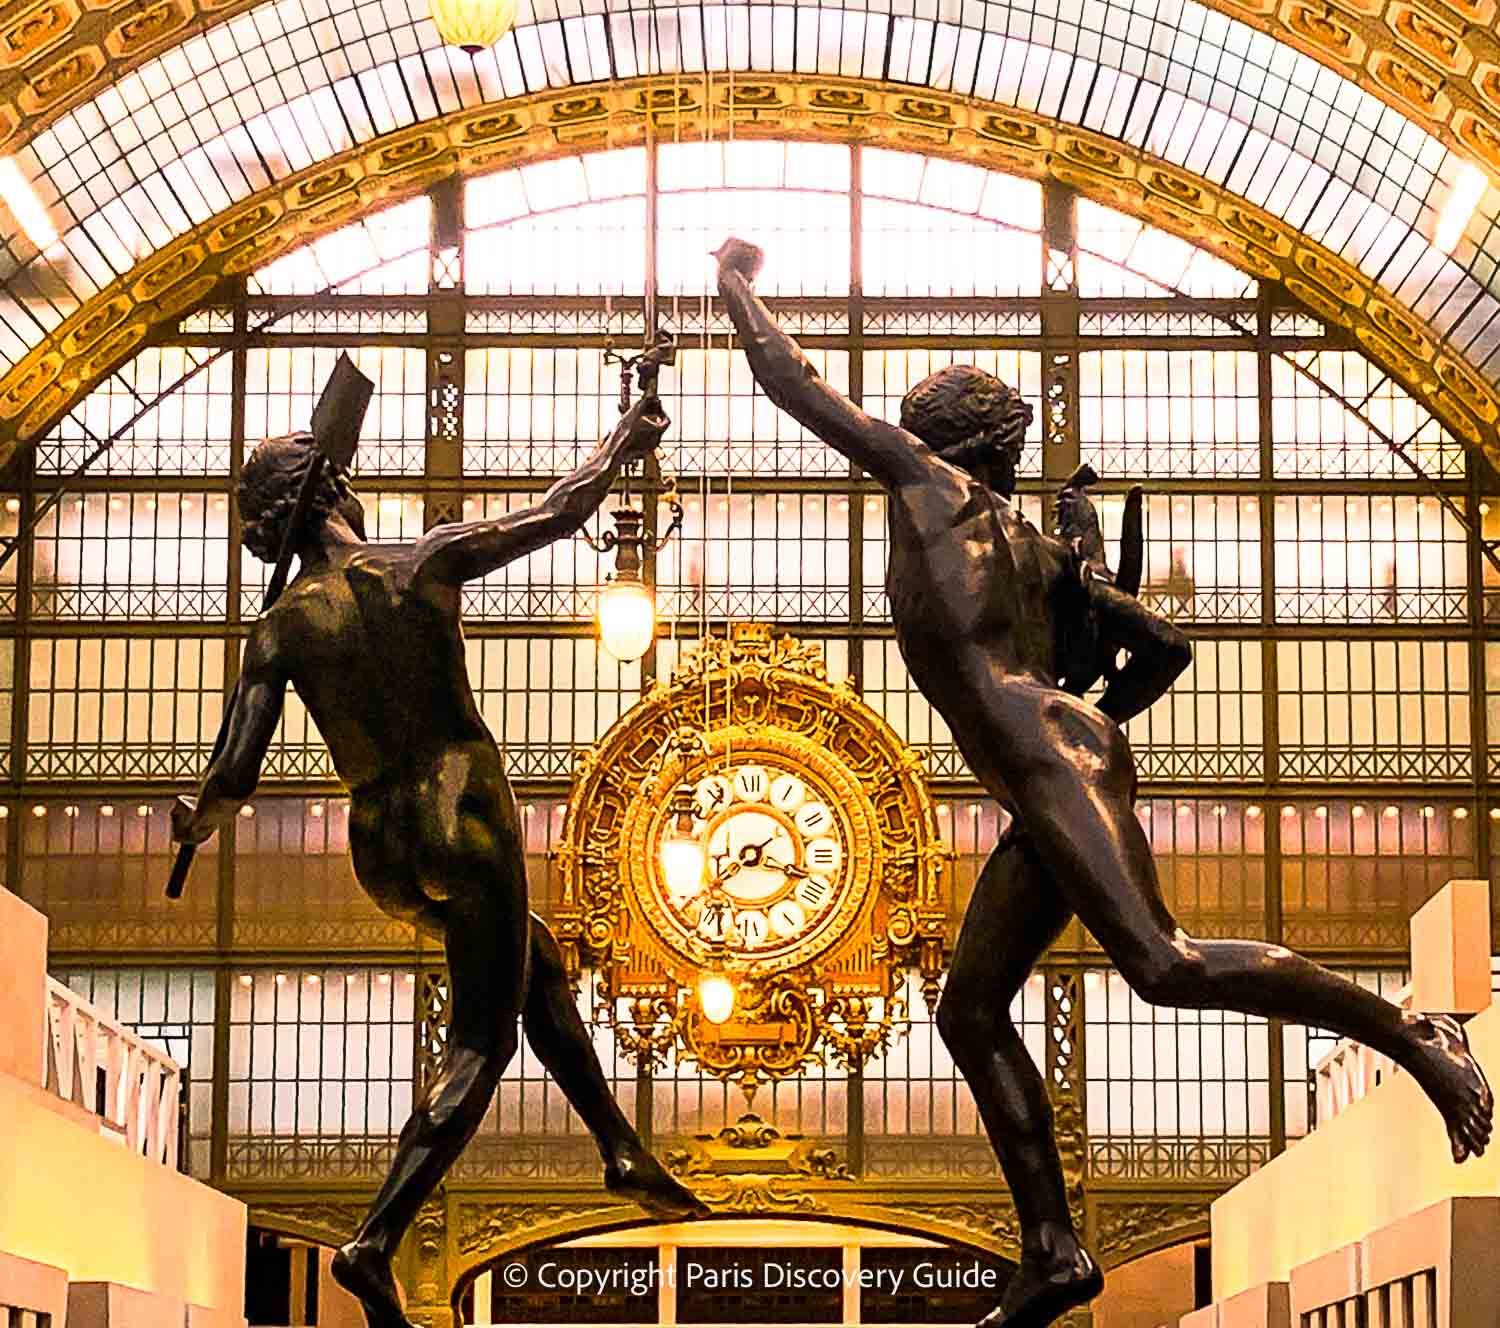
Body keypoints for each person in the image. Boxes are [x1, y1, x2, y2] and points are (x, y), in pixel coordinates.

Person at [713, 236, 1492, 1328]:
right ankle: (1054, 1249)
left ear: (940, 440)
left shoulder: (929, 486)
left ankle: (1410, 1032)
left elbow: (790, 381)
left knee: (1162, 963)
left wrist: (737, 280)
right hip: (1051, 760)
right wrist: (1093, 736)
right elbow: (1164, 651)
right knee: (970, 1008)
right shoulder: (1035, 547)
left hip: (1047, 757)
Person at [171, 393, 707, 1328]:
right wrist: (629, 433)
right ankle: (375, 1242)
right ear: (337, 487)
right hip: (464, 812)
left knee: (530, 957)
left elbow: (230, 778)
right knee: (482, 1040)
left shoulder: (281, 629)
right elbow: (559, 509)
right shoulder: (418, 562)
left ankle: (620, 1148)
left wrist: (196, 820)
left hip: (379, 844)